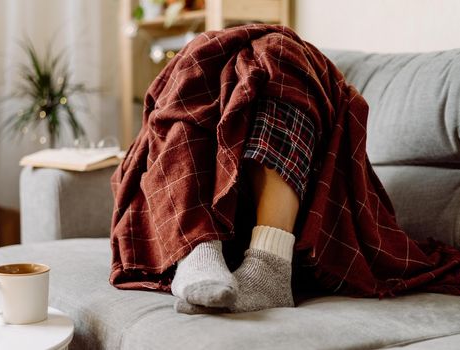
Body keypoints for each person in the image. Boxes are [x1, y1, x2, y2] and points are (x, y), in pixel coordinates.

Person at [109, 24, 460, 314]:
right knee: (200, 58)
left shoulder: (281, 70)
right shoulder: (227, 80)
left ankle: (267, 265)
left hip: (304, 222)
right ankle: (200, 250)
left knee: (277, 51)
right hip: (196, 217)